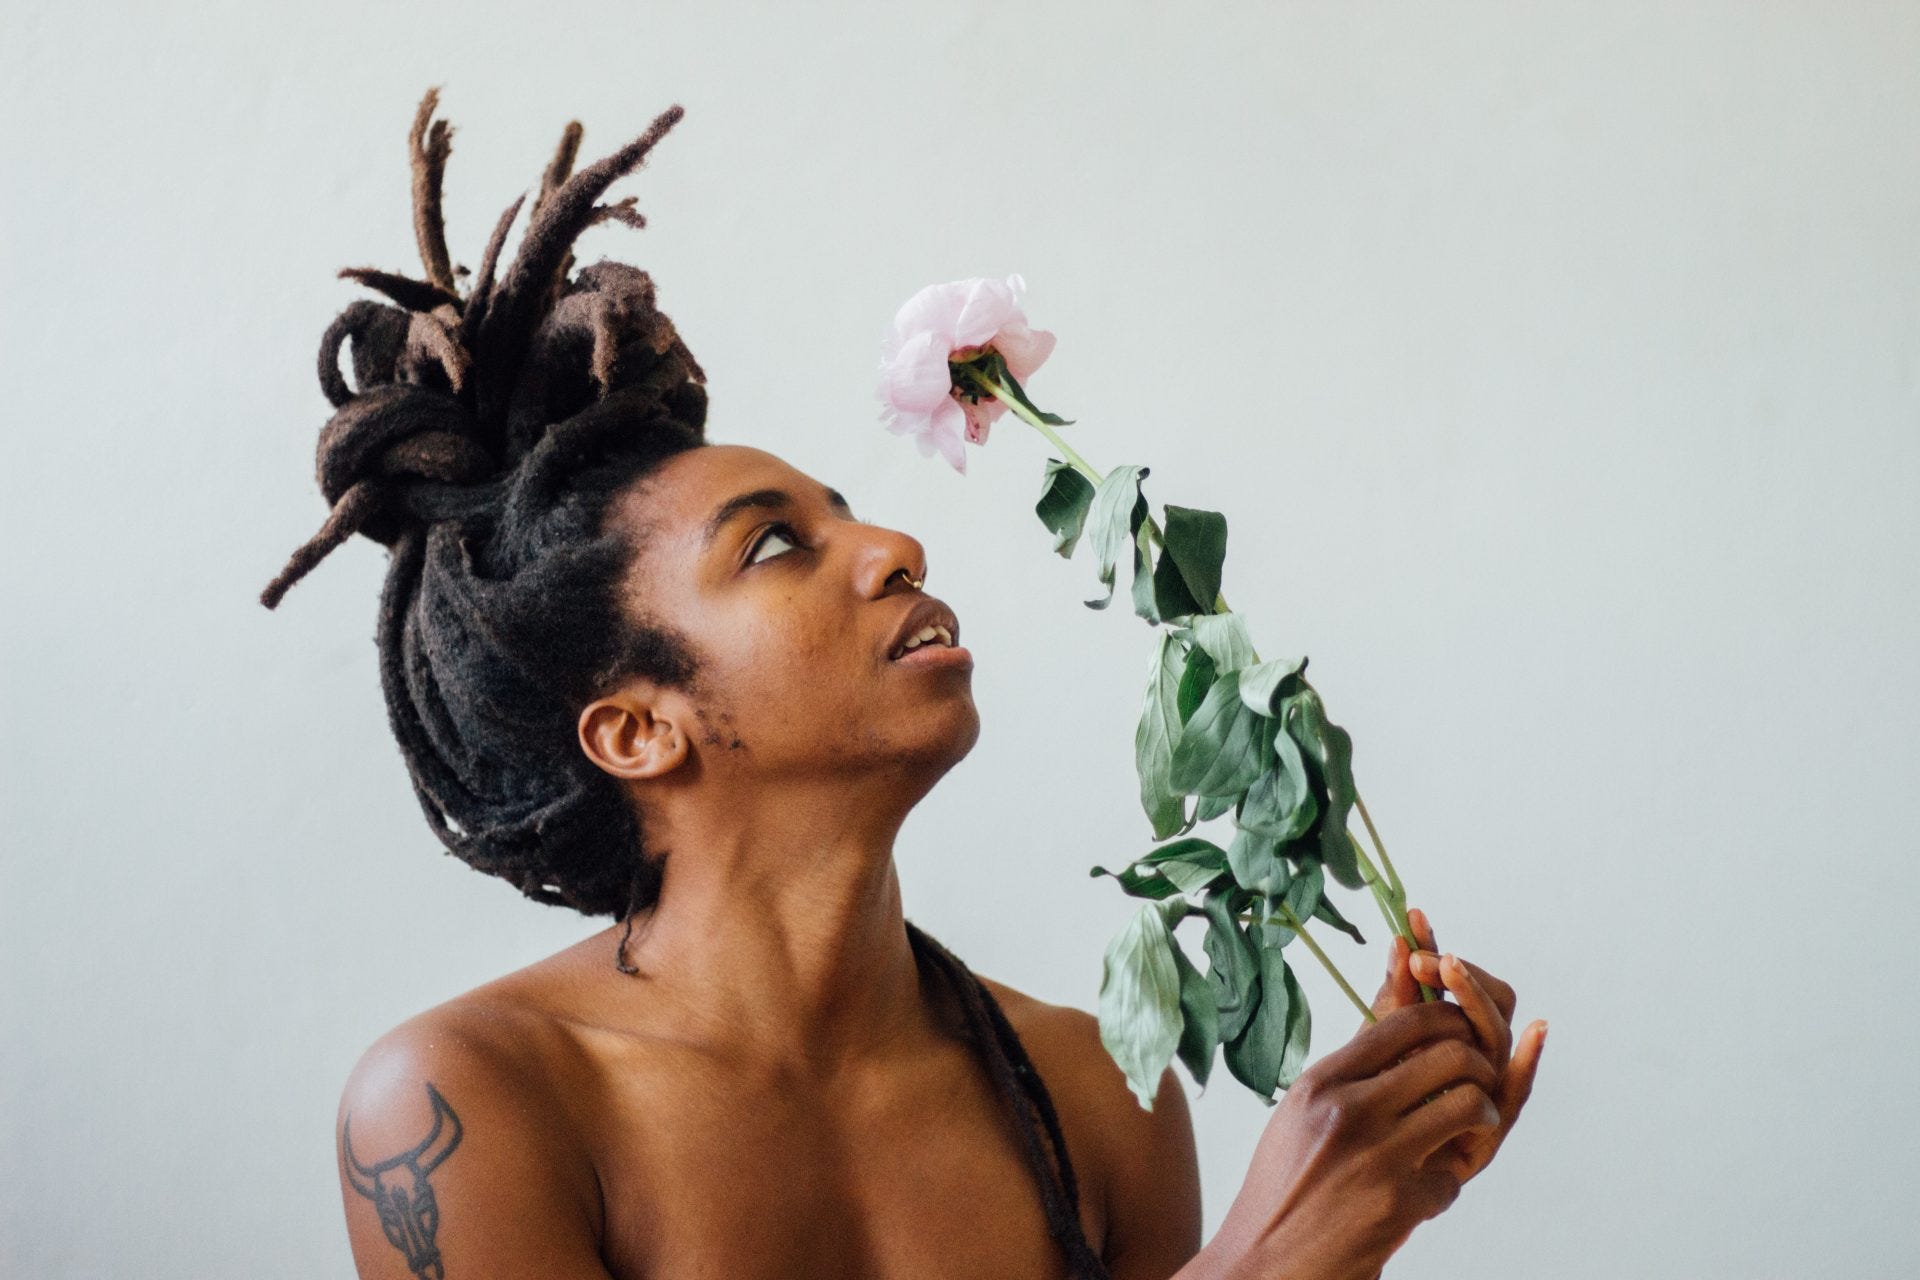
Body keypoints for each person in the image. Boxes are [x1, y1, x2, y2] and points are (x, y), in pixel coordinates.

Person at [261, 89, 1546, 1280]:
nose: (894, 548)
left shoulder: (1099, 1093)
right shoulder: (467, 1103)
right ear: (638, 728)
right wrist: (1263, 1261)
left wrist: (1361, 1198)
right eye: (776, 545)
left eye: (849, 513)